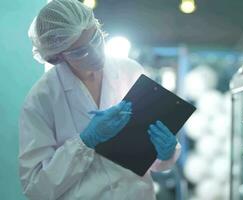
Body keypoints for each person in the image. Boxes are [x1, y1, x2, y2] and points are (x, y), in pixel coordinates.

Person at [18, 0, 180, 199]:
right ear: (57, 57)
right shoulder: (42, 99)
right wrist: (86, 141)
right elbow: (37, 188)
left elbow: (147, 157)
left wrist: (165, 152)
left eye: (95, 37)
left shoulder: (129, 70)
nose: (95, 53)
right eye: (80, 51)